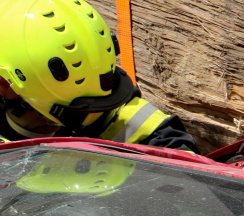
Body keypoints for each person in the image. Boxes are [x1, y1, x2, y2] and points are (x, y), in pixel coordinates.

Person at [0, 0, 197, 151]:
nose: (87, 119)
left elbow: (183, 160)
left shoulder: (122, 114)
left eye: (91, 112)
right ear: (4, 84)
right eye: (51, 119)